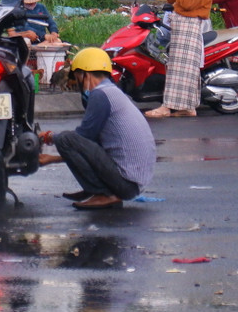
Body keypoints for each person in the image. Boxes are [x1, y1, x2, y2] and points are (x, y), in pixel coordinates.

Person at [37, 47, 155, 210]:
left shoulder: (100, 95)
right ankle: (95, 190)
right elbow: (90, 146)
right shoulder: (111, 92)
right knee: (67, 139)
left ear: (84, 74)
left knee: (65, 138)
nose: (75, 82)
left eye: (76, 76)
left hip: (125, 183)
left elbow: (82, 138)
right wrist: (51, 159)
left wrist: (50, 136)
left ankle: (103, 193)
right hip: (131, 183)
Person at [146, 0, 212, 118]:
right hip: (182, 29)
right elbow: (181, 2)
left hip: (189, 29)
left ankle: (167, 107)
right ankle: (187, 108)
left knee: (180, 70)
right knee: (182, 70)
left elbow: (189, 4)